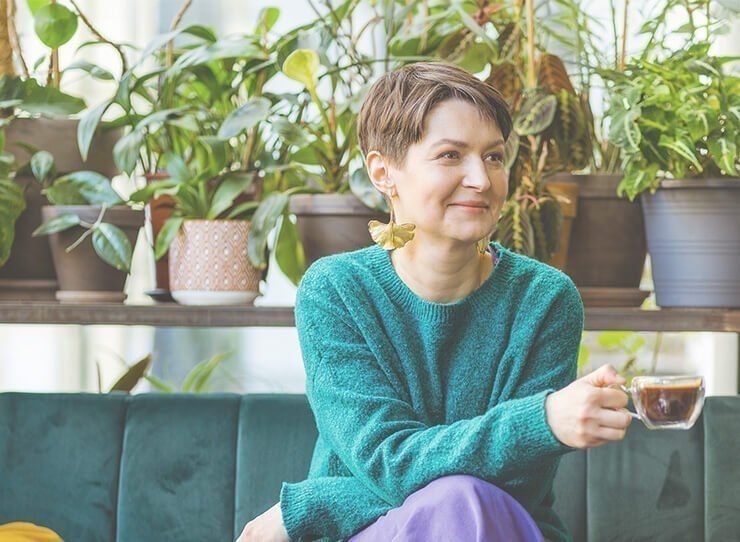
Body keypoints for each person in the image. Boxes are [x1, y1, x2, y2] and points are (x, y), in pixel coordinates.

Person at [237, 61, 632, 542]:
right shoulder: (337, 291)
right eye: (450, 156)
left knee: (462, 500)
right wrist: (541, 421)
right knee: (453, 499)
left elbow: (513, 487)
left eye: (493, 157)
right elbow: (388, 462)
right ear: (384, 172)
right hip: (374, 532)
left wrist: (312, 506)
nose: (482, 180)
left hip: (502, 530)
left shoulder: (544, 299)